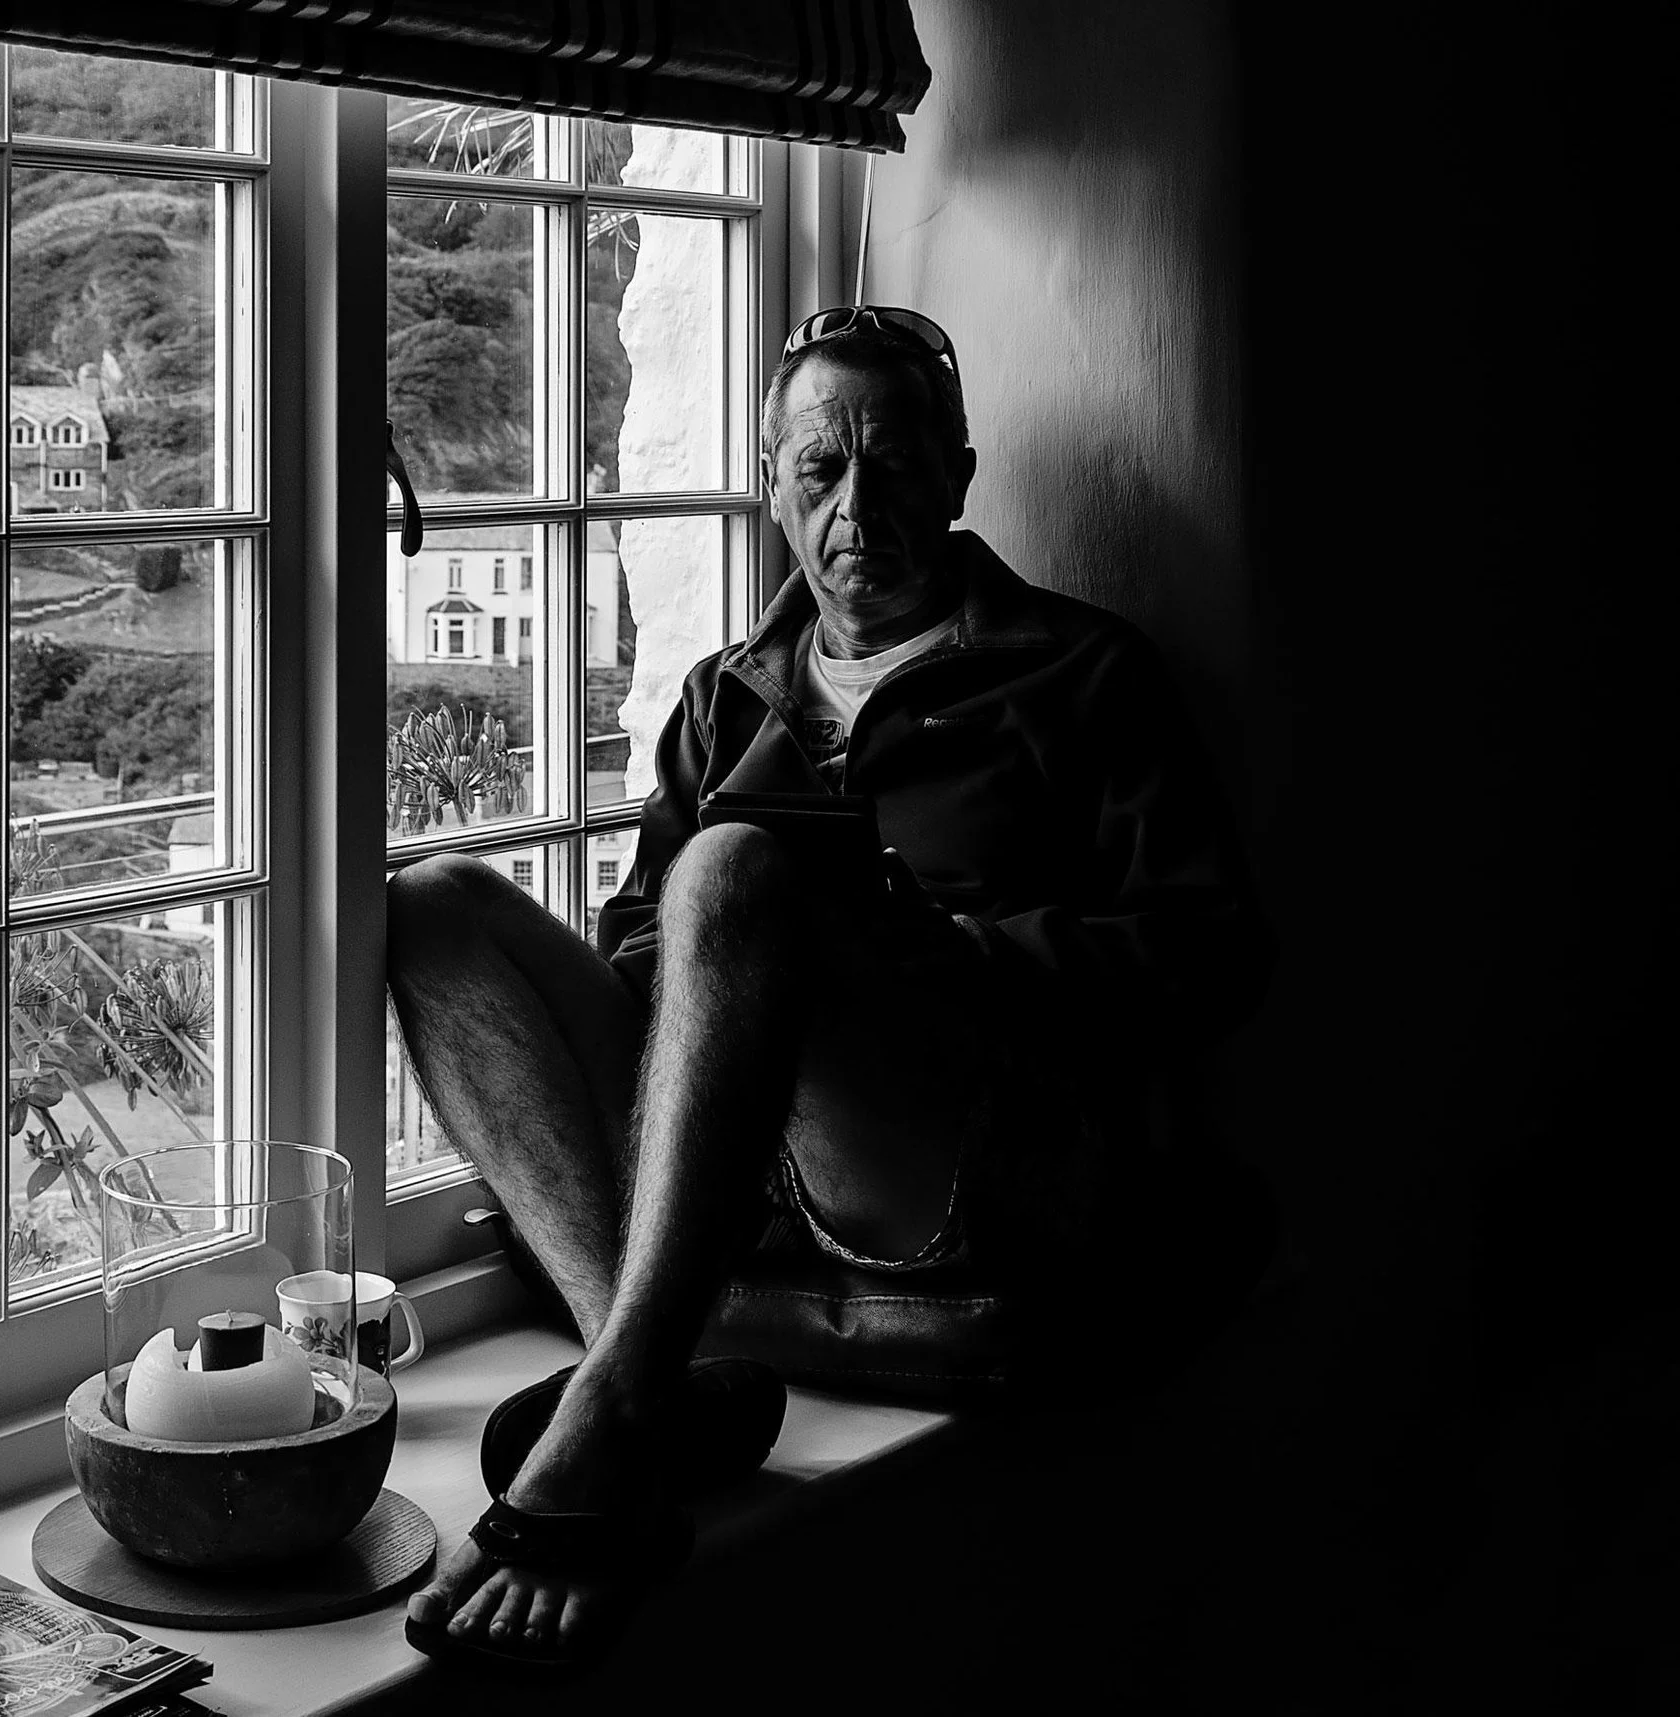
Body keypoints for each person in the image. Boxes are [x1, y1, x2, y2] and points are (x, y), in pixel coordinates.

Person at [388, 306, 1273, 1672]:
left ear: (960, 477)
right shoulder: (724, 698)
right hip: (741, 1201)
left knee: (737, 864)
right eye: (821, 470)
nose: (860, 504)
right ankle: (646, 1375)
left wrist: (953, 951)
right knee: (436, 907)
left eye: (899, 463)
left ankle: (609, 1409)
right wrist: (706, 961)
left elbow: (1209, 958)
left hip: (955, 1163)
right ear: (774, 489)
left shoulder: (1081, 675)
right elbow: (637, 939)